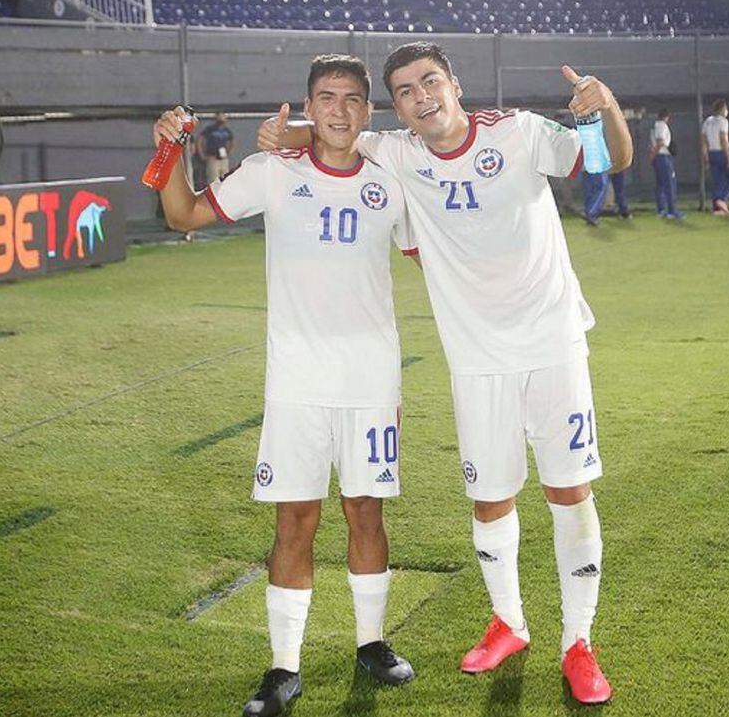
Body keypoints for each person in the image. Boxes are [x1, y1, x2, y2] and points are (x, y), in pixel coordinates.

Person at [258, 42, 633, 705]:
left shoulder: (516, 132)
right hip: (476, 359)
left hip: (552, 344)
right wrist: (281, 132)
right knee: (490, 499)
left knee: (569, 492)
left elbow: (609, 161)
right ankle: (510, 623)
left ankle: (579, 642)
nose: (421, 95)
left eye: (430, 81)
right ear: (397, 107)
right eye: (405, 90)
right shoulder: (399, 154)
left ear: (455, 84)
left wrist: (606, 111)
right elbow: (334, 129)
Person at [154, 55, 416, 716]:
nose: (339, 109)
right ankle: (283, 667)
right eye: (326, 98)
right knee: (295, 518)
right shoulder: (273, 173)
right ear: (308, 105)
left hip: (371, 381)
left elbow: (437, 248)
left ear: (367, 110)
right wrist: (166, 152)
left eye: (352, 98)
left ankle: (371, 642)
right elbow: (183, 214)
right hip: (297, 384)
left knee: (366, 510)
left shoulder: (393, 178)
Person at [701, 99, 729, 215]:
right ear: (722, 109)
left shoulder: (707, 121)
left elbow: (703, 141)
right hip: (721, 152)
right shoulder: (723, 121)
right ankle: (722, 199)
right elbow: (723, 139)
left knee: (718, 181)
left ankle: (717, 208)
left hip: (711, 153)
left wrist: (705, 156)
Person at [650, 108, 684, 218]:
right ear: (667, 117)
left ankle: (661, 209)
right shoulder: (662, 126)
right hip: (663, 157)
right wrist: (653, 155)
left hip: (658, 157)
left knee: (660, 184)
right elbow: (660, 142)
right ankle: (671, 211)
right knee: (669, 184)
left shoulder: (654, 126)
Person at [196, 112, 235, 185]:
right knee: (213, 180)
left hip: (223, 158)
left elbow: (232, 141)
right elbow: (200, 140)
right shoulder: (210, 130)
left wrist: (229, 152)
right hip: (213, 157)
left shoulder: (227, 131)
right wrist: (202, 154)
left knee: (225, 179)